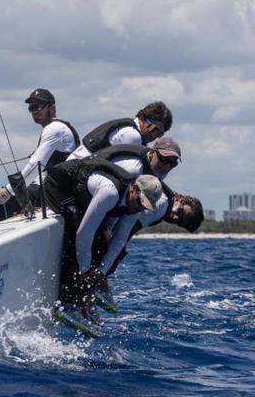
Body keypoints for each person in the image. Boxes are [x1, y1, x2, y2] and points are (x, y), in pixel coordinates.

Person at [43, 157, 163, 313]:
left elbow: (119, 241)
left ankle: (85, 298)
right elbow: (84, 233)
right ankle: (68, 300)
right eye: (140, 202)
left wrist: (101, 272)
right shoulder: (110, 193)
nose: (140, 207)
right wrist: (85, 271)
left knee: (102, 243)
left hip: (80, 195)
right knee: (75, 230)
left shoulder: (135, 206)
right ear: (133, 188)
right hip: (59, 184)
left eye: (145, 206)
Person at [90, 185, 205, 307]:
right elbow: (127, 231)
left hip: (106, 215)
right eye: (180, 212)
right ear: (178, 199)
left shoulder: (165, 205)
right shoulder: (161, 205)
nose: (175, 217)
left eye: (180, 222)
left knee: (115, 254)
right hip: (101, 208)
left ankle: (95, 286)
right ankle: (89, 291)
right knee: (113, 253)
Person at [0, 88, 78, 224]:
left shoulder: (54, 129)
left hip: (49, 191)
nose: (35, 111)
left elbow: (35, 166)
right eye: (31, 108)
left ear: (52, 107)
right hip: (53, 189)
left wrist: (6, 192)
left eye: (39, 106)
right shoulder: (59, 129)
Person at [67, 101, 173, 161]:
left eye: (159, 133)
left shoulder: (130, 128)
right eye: (152, 128)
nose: (154, 134)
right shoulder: (132, 136)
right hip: (76, 169)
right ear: (142, 118)